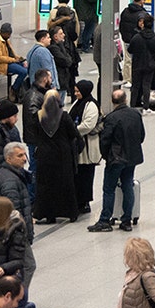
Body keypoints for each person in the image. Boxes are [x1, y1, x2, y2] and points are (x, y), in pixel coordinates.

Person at [88, 90, 145, 233]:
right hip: (132, 157)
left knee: (109, 189)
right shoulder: (136, 114)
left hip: (116, 158)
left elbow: (105, 140)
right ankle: (127, 220)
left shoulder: (111, 118)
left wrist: (106, 155)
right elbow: (141, 135)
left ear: (113, 102)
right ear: (126, 100)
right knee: (127, 186)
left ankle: (104, 220)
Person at [30, 90, 79, 224]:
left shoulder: (39, 116)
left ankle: (48, 214)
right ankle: (70, 213)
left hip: (44, 155)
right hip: (63, 155)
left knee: (46, 185)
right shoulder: (64, 116)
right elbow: (73, 133)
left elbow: (34, 134)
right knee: (66, 183)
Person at [0, 143, 32, 245]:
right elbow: (14, 211)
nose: (24, 159)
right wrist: (23, 232)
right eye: (20, 156)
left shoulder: (11, 174)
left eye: (25, 155)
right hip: (13, 235)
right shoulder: (9, 181)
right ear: (8, 159)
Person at [70, 81, 101, 214]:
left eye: (78, 91)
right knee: (78, 175)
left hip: (87, 147)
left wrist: (72, 131)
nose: (76, 94)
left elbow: (88, 125)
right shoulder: (77, 103)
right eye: (75, 91)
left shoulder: (91, 105)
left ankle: (85, 202)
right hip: (77, 146)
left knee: (86, 176)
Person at [0, 24, 28, 96]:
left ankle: (21, 90)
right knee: (23, 72)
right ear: (3, 33)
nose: (9, 36)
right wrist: (13, 60)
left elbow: (11, 53)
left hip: (9, 61)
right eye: (8, 34)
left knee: (27, 67)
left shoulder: (6, 40)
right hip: (2, 65)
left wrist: (19, 59)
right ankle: (14, 89)